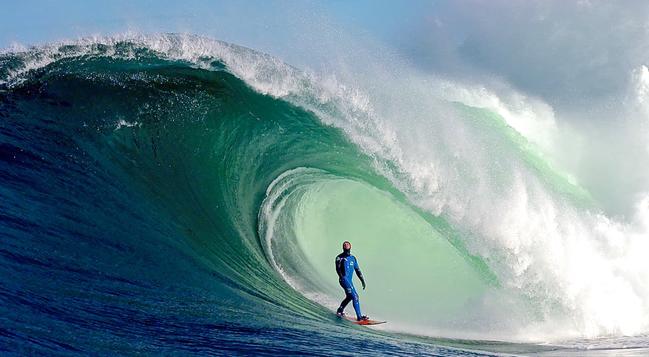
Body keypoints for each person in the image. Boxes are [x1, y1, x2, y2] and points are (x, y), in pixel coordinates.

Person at [335, 241, 368, 321]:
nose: (346, 244)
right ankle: (359, 317)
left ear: (350, 246)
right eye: (344, 244)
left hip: (349, 281)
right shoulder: (339, 258)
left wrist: (362, 280)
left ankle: (340, 310)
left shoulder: (353, 258)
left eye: (347, 244)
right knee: (355, 296)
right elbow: (337, 269)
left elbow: (357, 270)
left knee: (350, 297)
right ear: (343, 247)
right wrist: (342, 277)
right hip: (344, 280)